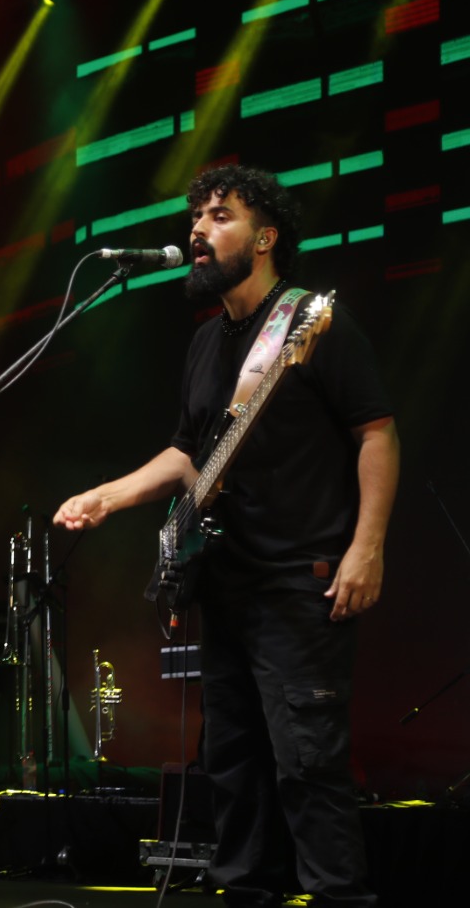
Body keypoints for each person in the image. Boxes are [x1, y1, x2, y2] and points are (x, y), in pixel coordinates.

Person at [52, 164, 399, 907]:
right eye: (195, 219)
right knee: (234, 769)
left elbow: (376, 432)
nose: (197, 231)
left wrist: (367, 546)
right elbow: (189, 454)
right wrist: (108, 496)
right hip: (227, 588)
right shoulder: (207, 346)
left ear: (266, 237)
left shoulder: (311, 321)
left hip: (301, 583)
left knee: (307, 766)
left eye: (219, 216)